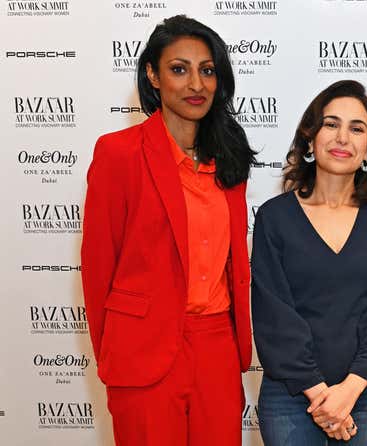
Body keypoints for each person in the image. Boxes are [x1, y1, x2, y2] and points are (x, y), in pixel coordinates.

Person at [81, 15, 255, 446]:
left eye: (207, 70)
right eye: (179, 69)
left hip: (216, 345)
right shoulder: (118, 153)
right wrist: (118, 355)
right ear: (153, 76)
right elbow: (98, 266)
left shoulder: (229, 159)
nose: (196, 83)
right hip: (142, 350)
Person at [251, 80, 367, 445]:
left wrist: (348, 392)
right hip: (290, 397)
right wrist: (321, 395)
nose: (343, 137)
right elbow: (274, 315)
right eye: (331, 124)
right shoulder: (274, 218)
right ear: (310, 139)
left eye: (357, 128)